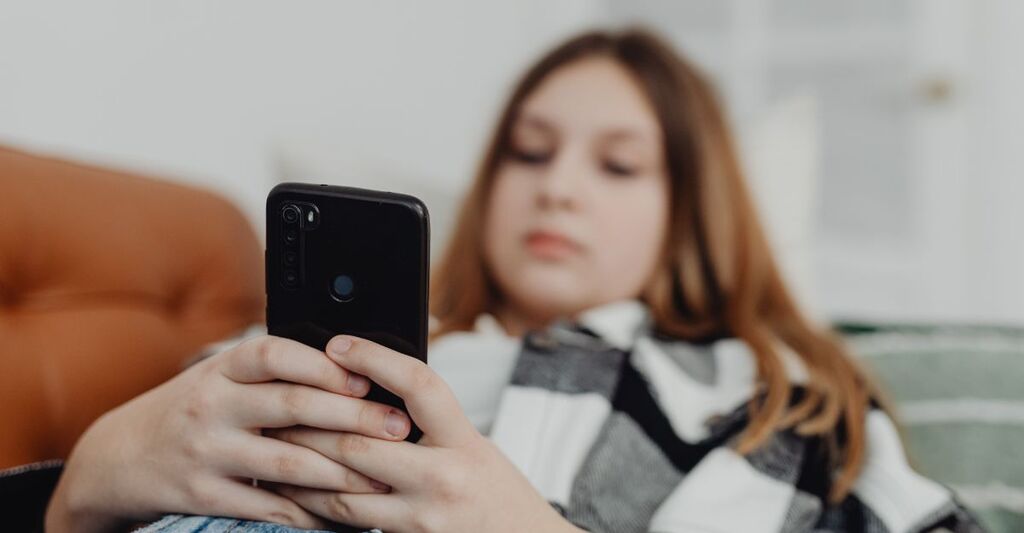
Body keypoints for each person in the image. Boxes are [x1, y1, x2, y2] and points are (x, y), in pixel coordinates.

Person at [25, 28, 982, 532]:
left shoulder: (775, 398)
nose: (558, 186)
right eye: (529, 152)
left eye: (616, 165)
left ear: (691, 212)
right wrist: (87, 481)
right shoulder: (285, 346)